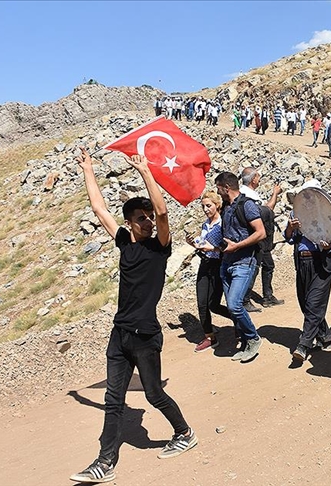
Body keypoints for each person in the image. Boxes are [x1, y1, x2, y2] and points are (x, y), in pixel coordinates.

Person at [70, 149, 196, 484]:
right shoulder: (124, 241)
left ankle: (184, 433)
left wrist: (145, 172)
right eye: (140, 218)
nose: (148, 221)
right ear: (129, 224)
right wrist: (89, 169)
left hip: (145, 336)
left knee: (153, 394)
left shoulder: (160, 247)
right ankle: (105, 462)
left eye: (147, 217)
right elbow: (99, 208)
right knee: (113, 400)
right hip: (120, 334)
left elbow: (164, 211)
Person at [284, 184, 331, 362]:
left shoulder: (329, 212)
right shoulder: (297, 213)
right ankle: (325, 336)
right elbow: (290, 238)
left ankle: (304, 345)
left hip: (322, 261)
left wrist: (330, 245)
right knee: (306, 303)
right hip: (303, 262)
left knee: (314, 302)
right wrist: (290, 228)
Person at [214, 171, 267, 363]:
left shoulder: (247, 205)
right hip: (227, 263)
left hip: (244, 263)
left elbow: (261, 233)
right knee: (232, 308)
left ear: (226, 187)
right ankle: (245, 342)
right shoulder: (227, 207)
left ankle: (253, 338)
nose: (217, 192)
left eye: (218, 188)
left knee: (235, 305)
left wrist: (237, 246)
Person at [186, 191, 232, 352]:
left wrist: (212, 248)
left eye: (208, 206)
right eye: (203, 206)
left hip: (219, 264)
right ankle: (210, 336)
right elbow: (204, 243)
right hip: (205, 263)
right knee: (201, 302)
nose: (206, 209)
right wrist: (194, 244)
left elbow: (227, 247)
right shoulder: (205, 224)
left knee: (214, 303)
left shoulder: (223, 224)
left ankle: (239, 320)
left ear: (217, 205)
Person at [240, 168, 284, 311]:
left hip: (260, 238)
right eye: (258, 176)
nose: (259, 178)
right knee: (254, 268)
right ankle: (245, 300)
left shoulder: (247, 194)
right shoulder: (248, 196)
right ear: (253, 179)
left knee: (268, 265)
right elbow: (268, 210)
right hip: (256, 238)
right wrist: (275, 194)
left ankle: (267, 296)